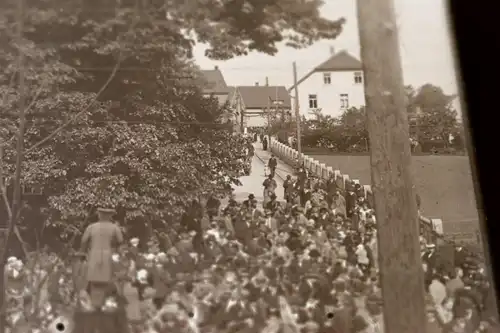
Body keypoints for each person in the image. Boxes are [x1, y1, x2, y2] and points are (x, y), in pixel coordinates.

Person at [80, 207, 124, 310]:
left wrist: (82, 254)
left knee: (95, 280)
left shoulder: (91, 227)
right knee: (103, 281)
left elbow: (83, 241)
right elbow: (121, 242)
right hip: (106, 256)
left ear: (99, 215)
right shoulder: (114, 228)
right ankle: (99, 303)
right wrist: (119, 254)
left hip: (94, 256)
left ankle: (97, 303)